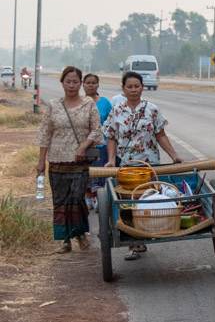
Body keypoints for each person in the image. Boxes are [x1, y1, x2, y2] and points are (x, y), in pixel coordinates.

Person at [103, 71, 182, 260]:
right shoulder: (117, 110)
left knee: (147, 200)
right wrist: (112, 160)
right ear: (123, 89)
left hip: (149, 164)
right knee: (129, 203)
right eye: (129, 86)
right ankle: (134, 243)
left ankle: (150, 231)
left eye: (136, 86)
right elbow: (112, 137)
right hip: (127, 167)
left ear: (142, 87)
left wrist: (174, 155)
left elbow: (160, 135)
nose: (133, 90)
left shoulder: (152, 109)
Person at [36, 66, 103, 254]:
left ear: (80, 84)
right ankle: (64, 240)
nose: (72, 85)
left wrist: (83, 146)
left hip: (79, 163)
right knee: (60, 201)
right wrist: (41, 161)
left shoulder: (88, 104)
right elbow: (44, 134)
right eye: (68, 81)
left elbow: (97, 130)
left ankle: (80, 235)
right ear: (62, 83)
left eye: (75, 81)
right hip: (57, 162)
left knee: (76, 199)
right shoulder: (53, 105)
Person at [82, 73, 112, 210]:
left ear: (98, 85)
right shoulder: (78, 102)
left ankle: (100, 197)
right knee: (85, 172)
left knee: (100, 172)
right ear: (83, 84)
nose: (91, 85)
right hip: (83, 145)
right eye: (88, 82)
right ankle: (88, 195)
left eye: (94, 82)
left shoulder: (105, 102)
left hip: (101, 144)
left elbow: (112, 124)